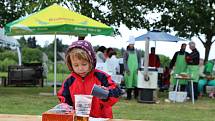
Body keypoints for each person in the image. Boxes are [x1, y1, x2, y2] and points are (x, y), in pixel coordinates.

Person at [57, 40, 121, 118]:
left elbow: (116, 93)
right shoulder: (69, 81)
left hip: (101, 118)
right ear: (70, 64)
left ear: (91, 61)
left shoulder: (101, 77)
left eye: (84, 64)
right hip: (79, 119)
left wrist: (106, 93)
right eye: (76, 65)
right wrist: (66, 107)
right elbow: (64, 99)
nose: (80, 68)